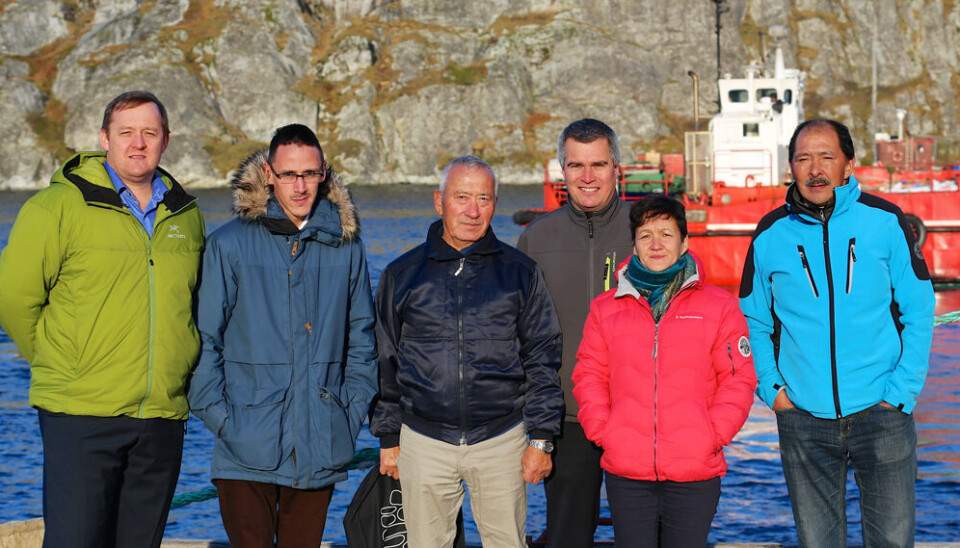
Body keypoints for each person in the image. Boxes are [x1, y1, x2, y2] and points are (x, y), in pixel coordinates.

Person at [0, 90, 205, 548]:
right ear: (103, 139)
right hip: (80, 413)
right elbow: (13, 299)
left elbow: (192, 307)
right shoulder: (56, 207)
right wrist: (64, 360)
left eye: (149, 133)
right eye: (126, 132)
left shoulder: (186, 215)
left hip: (161, 417)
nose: (138, 143)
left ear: (166, 141)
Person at [739, 119, 935, 547]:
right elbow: (753, 319)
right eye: (803, 158)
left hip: (882, 411)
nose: (815, 169)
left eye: (826, 156)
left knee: (892, 542)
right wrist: (773, 391)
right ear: (790, 166)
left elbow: (919, 310)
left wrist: (901, 392)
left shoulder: (885, 221)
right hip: (803, 419)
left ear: (848, 163)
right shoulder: (770, 234)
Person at [187, 124, 378, 547]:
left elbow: (363, 340)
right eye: (289, 174)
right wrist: (223, 419)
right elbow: (204, 340)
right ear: (270, 173)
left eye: (309, 174)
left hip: (321, 440)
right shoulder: (229, 244)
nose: (300, 185)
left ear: (323, 173)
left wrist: (348, 416)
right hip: (243, 445)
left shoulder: (346, 247)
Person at [370, 155, 563, 548]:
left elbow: (543, 356)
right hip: (423, 442)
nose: (473, 211)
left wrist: (541, 438)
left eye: (485, 199)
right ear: (439, 202)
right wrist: (388, 436)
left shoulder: (520, 272)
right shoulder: (401, 275)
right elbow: (383, 361)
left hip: (501, 440)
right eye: (462, 197)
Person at [572, 196, 757, 547]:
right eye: (646, 235)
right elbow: (590, 375)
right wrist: (604, 431)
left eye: (666, 234)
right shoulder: (605, 309)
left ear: (684, 242)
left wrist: (712, 435)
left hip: (695, 470)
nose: (656, 244)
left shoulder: (719, 307)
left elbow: (738, 379)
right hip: (627, 471)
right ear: (635, 244)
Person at [516, 118, 634, 546]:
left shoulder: (647, 231)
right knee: (567, 536)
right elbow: (520, 334)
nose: (587, 177)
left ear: (616, 168)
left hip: (638, 416)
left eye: (598, 164)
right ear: (562, 170)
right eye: (576, 165)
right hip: (566, 417)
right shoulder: (536, 239)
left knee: (645, 535)